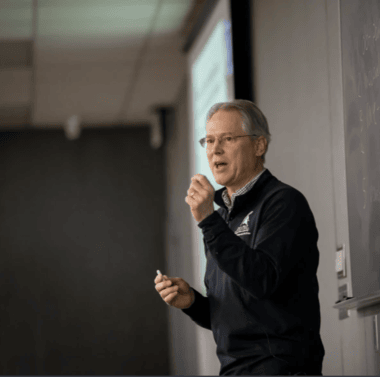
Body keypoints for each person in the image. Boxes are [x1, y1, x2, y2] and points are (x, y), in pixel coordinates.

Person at [154, 100, 325, 376]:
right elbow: (238, 313)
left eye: (228, 138)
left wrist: (208, 221)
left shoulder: (283, 203)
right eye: (209, 141)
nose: (215, 150)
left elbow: (262, 280)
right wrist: (193, 303)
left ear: (259, 146)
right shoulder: (222, 218)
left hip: (280, 368)